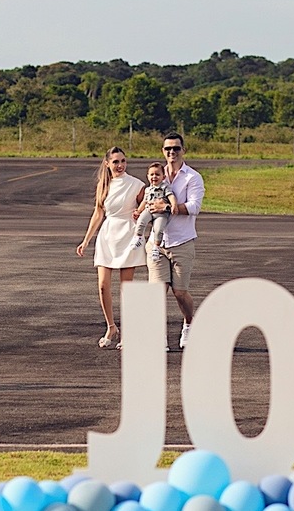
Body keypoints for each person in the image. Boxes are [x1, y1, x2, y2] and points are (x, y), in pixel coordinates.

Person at [77, 147, 146, 349]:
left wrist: (139, 214)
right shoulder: (103, 184)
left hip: (128, 234)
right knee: (102, 285)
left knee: (126, 287)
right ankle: (111, 327)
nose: (120, 165)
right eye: (115, 162)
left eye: (123, 161)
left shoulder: (136, 184)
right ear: (107, 163)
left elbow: (146, 205)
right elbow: (98, 213)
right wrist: (86, 240)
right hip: (108, 235)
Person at [145, 132, 204, 350]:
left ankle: (189, 324)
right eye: (168, 148)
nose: (172, 152)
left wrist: (167, 207)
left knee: (180, 292)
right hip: (157, 244)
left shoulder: (192, 178)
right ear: (163, 151)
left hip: (182, 241)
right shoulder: (156, 175)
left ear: (183, 150)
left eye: (176, 148)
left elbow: (194, 207)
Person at [129, 162, 180, 260]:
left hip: (161, 213)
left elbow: (171, 196)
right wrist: (138, 211)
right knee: (141, 221)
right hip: (149, 209)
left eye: (157, 174)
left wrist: (174, 205)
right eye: (151, 174)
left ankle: (156, 247)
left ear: (163, 177)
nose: (154, 177)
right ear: (148, 176)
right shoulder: (148, 189)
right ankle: (138, 237)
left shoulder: (165, 187)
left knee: (158, 229)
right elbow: (144, 201)